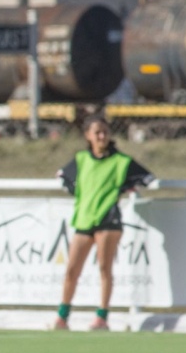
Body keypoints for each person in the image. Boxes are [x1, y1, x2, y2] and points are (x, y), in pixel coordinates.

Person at [54, 114, 154, 331]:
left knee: (104, 268)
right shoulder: (81, 159)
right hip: (84, 218)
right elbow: (63, 177)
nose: (102, 136)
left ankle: (102, 316)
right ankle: (62, 315)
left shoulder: (121, 161)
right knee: (72, 269)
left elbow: (146, 178)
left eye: (105, 132)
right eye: (97, 132)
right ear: (88, 135)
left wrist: (127, 187)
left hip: (108, 220)